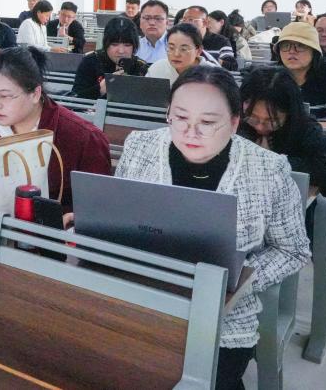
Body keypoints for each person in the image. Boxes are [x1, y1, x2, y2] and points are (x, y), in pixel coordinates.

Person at [116, 65, 309, 388]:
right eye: (180, 117)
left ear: (234, 122)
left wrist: (236, 281)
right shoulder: (141, 147)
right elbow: (119, 217)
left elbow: (293, 250)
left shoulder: (267, 169)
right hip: (140, 298)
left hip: (223, 320)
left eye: (207, 122)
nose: (191, 132)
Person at [0, 46, 111, 212]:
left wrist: (71, 218)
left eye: (5, 96)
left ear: (35, 94)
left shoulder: (83, 138)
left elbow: (97, 207)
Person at [238, 67, 326, 217]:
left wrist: (273, 160)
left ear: (289, 114)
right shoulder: (235, 122)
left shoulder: (304, 128)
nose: (260, 127)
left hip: (291, 213)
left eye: (271, 121)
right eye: (253, 118)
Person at [70, 17, 148, 99]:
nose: (121, 51)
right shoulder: (90, 61)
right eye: (114, 44)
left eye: (127, 45)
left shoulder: (140, 67)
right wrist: (101, 89)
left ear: (134, 46)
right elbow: (74, 98)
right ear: (106, 44)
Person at [146, 23, 219, 85]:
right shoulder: (157, 69)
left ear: (198, 51)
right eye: (171, 48)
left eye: (184, 49)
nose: (176, 54)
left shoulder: (214, 74)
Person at [183, 6, 236, 70]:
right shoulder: (180, 40)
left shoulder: (221, 41)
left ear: (205, 22)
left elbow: (232, 66)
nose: (185, 23)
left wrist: (207, 57)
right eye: (184, 20)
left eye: (190, 20)